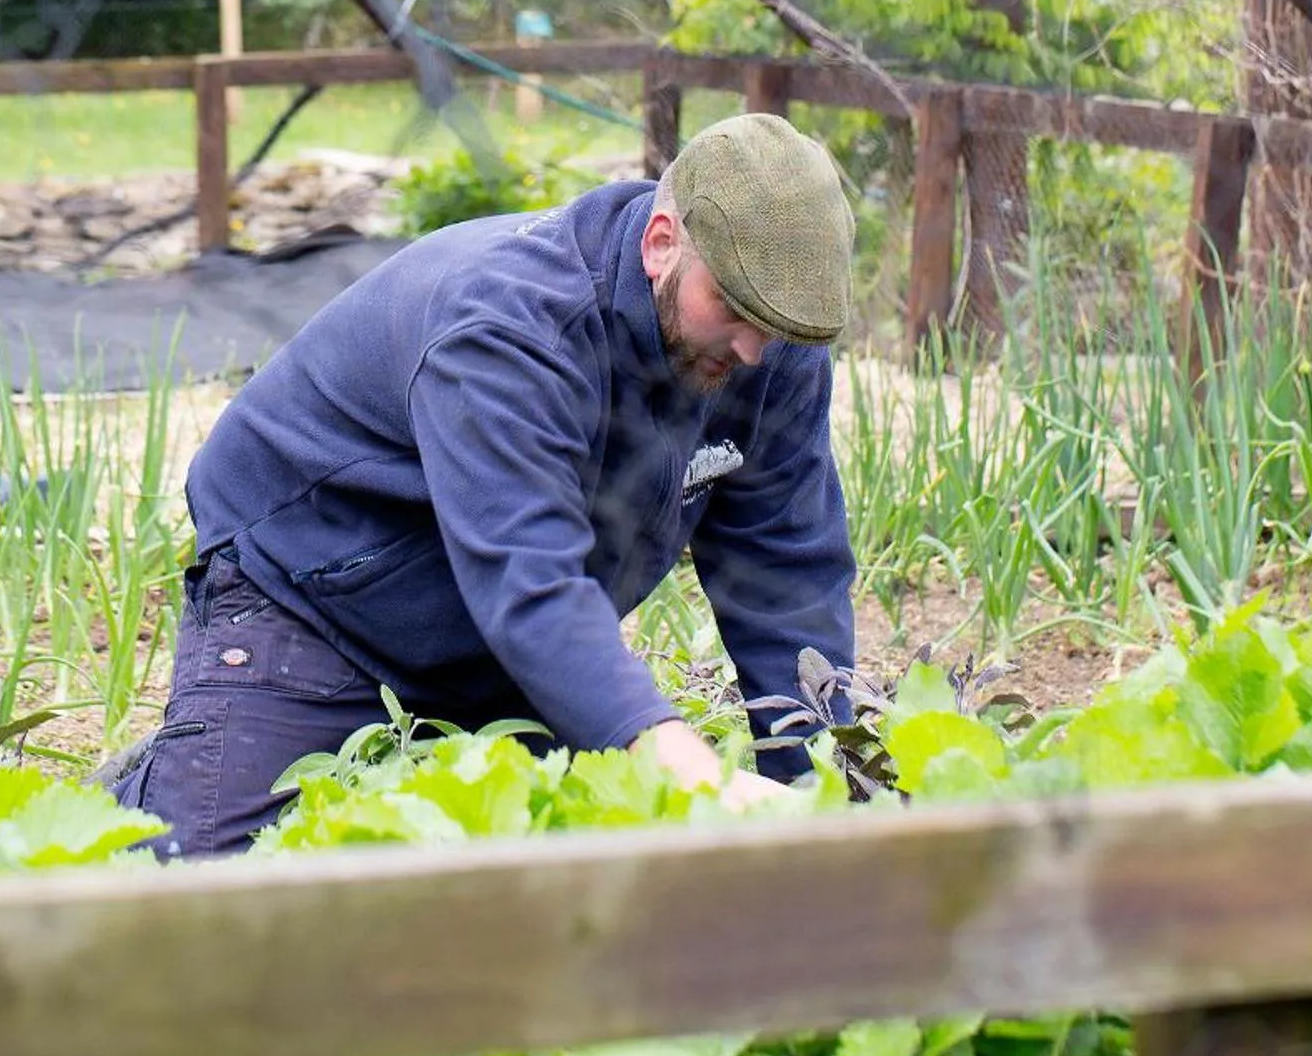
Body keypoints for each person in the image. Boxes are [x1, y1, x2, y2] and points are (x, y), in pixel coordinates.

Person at [118, 111, 861, 856]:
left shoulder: (768, 341)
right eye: (733, 308)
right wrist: (684, 767)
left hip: (503, 646)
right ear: (661, 242)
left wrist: (828, 795)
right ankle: (171, 773)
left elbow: (784, 571)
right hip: (314, 596)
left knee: (567, 873)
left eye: (779, 327)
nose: (755, 350)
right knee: (209, 884)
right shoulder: (511, 326)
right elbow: (527, 575)